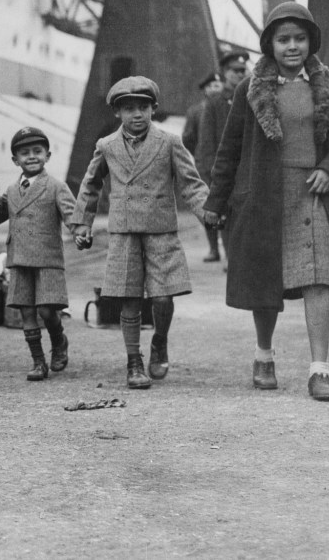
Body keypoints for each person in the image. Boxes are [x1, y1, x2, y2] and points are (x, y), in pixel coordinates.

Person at [204, 2, 329, 402]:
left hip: (315, 194)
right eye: (283, 39)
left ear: (311, 41)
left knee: (318, 277)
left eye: (300, 38)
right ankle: (264, 356)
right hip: (264, 195)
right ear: (269, 44)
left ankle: (319, 370)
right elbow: (229, 149)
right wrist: (216, 202)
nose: (293, 46)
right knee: (264, 280)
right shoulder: (249, 89)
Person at [71, 76, 208, 390]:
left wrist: (207, 213)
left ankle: (159, 340)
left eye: (143, 107)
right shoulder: (106, 146)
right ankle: (133, 360)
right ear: (117, 113)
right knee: (129, 298)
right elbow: (90, 185)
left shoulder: (170, 142)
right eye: (129, 108)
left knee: (162, 296)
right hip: (124, 231)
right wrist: (82, 223)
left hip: (161, 230)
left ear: (154, 109)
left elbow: (191, 183)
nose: (137, 114)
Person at [0, 127, 76, 381]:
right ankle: (38, 362)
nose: (31, 156)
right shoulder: (11, 190)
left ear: (47, 155)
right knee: (26, 313)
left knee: (46, 310)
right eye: (24, 153)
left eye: (37, 151)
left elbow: (71, 215)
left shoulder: (56, 186)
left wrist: (80, 231)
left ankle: (58, 340)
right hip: (19, 259)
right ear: (15, 160)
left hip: (47, 259)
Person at [195, 51, 250, 262]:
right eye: (235, 71)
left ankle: (239, 257)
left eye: (242, 71)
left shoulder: (249, 96)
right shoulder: (215, 103)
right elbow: (207, 141)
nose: (239, 74)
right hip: (224, 168)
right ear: (225, 73)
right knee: (225, 213)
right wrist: (211, 173)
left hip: (245, 167)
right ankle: (230, 257)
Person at [183, 71, 224, 261]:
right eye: (212, 86)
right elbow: (188, 138)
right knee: (208, 207)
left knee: (228, 207)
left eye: (218, 85)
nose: (216, 89)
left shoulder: (229, 107)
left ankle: (229, 252)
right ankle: (213, 248)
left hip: (226, 164)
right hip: (205, 166)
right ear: (205, 90)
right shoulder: (196, 112)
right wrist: (199, 154)